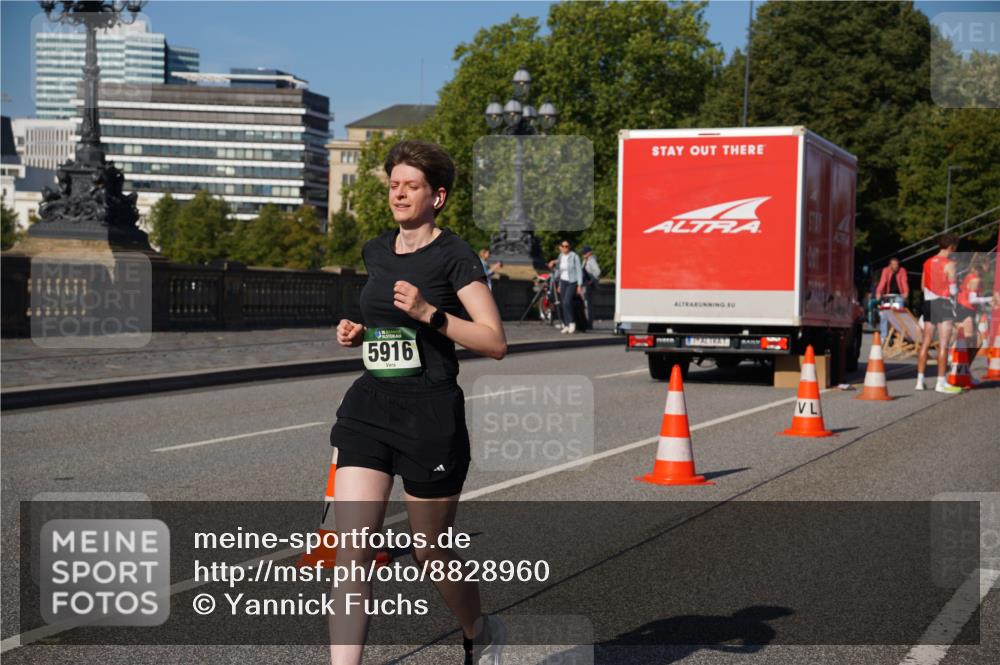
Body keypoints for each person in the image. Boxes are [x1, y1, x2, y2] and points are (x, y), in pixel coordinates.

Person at [329, 140, 507, 665]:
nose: (399, 194)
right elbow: (388, 326)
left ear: (438, 196)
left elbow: (494, 341)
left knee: (431, 552)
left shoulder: (455, 257)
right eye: (393, 185)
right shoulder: (376, 250)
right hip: (369, 406)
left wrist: (432, 313)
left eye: (411, 185)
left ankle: (479, 628)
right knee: (352, 552)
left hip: (429, 416)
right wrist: (360, 334)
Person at [916, 234, 962, 393]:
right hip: (943, 303)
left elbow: (922, 286)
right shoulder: (950, 264)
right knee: (943, 344)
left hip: (928, 302)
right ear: (952, 247)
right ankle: (940, 382)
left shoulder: (927, 262)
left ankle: (920, 381)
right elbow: (953, 289)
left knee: (926, 342)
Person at [547, 240, 583, 333]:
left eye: (567, 246)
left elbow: (579, 271)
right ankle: (566, 324)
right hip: (563, 282)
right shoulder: (560, 257)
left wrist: (579, 285)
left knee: (567, 301)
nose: (565, 248)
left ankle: (572, 323)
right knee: (563, 303)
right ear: (560, 247)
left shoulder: (574, 256)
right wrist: (558, 284)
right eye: (563, 246)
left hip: (572, 281)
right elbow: (559, 270)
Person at [875, 257, 909, 340]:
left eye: (897, 264)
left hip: (898, 295)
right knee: (884, 316)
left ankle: (899, 335)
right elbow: (883, 282)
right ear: (890, 265)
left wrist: (906, 293)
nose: (896, 266)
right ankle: (884, 336)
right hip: (887, 296)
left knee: (899, 315)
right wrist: (878, 293)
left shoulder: (902, 271)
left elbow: (904, 282)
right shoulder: (885, 270)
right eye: (893, 265)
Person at [580, 245, 601, 330]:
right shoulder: (586, 260)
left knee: (588, 305)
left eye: (584, 253)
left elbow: (598, 271)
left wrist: (591, 280)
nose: (583, 255)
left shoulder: (591, 260)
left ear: (589, 253)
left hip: (589, 286)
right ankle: (587, 323)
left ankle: (589, 324)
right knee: (587, 305)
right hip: (586, 285)